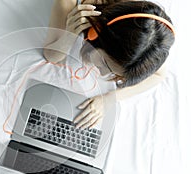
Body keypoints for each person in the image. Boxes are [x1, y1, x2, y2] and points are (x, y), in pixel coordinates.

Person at [43, 0, 175, 129]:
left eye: (113, 73)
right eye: (105, 64)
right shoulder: (68, 2)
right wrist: (69, 35)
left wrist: (109, 99)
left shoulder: (141, 35)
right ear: (95, 33)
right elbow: (51, 56)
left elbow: (159, 75)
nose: (102, 73)